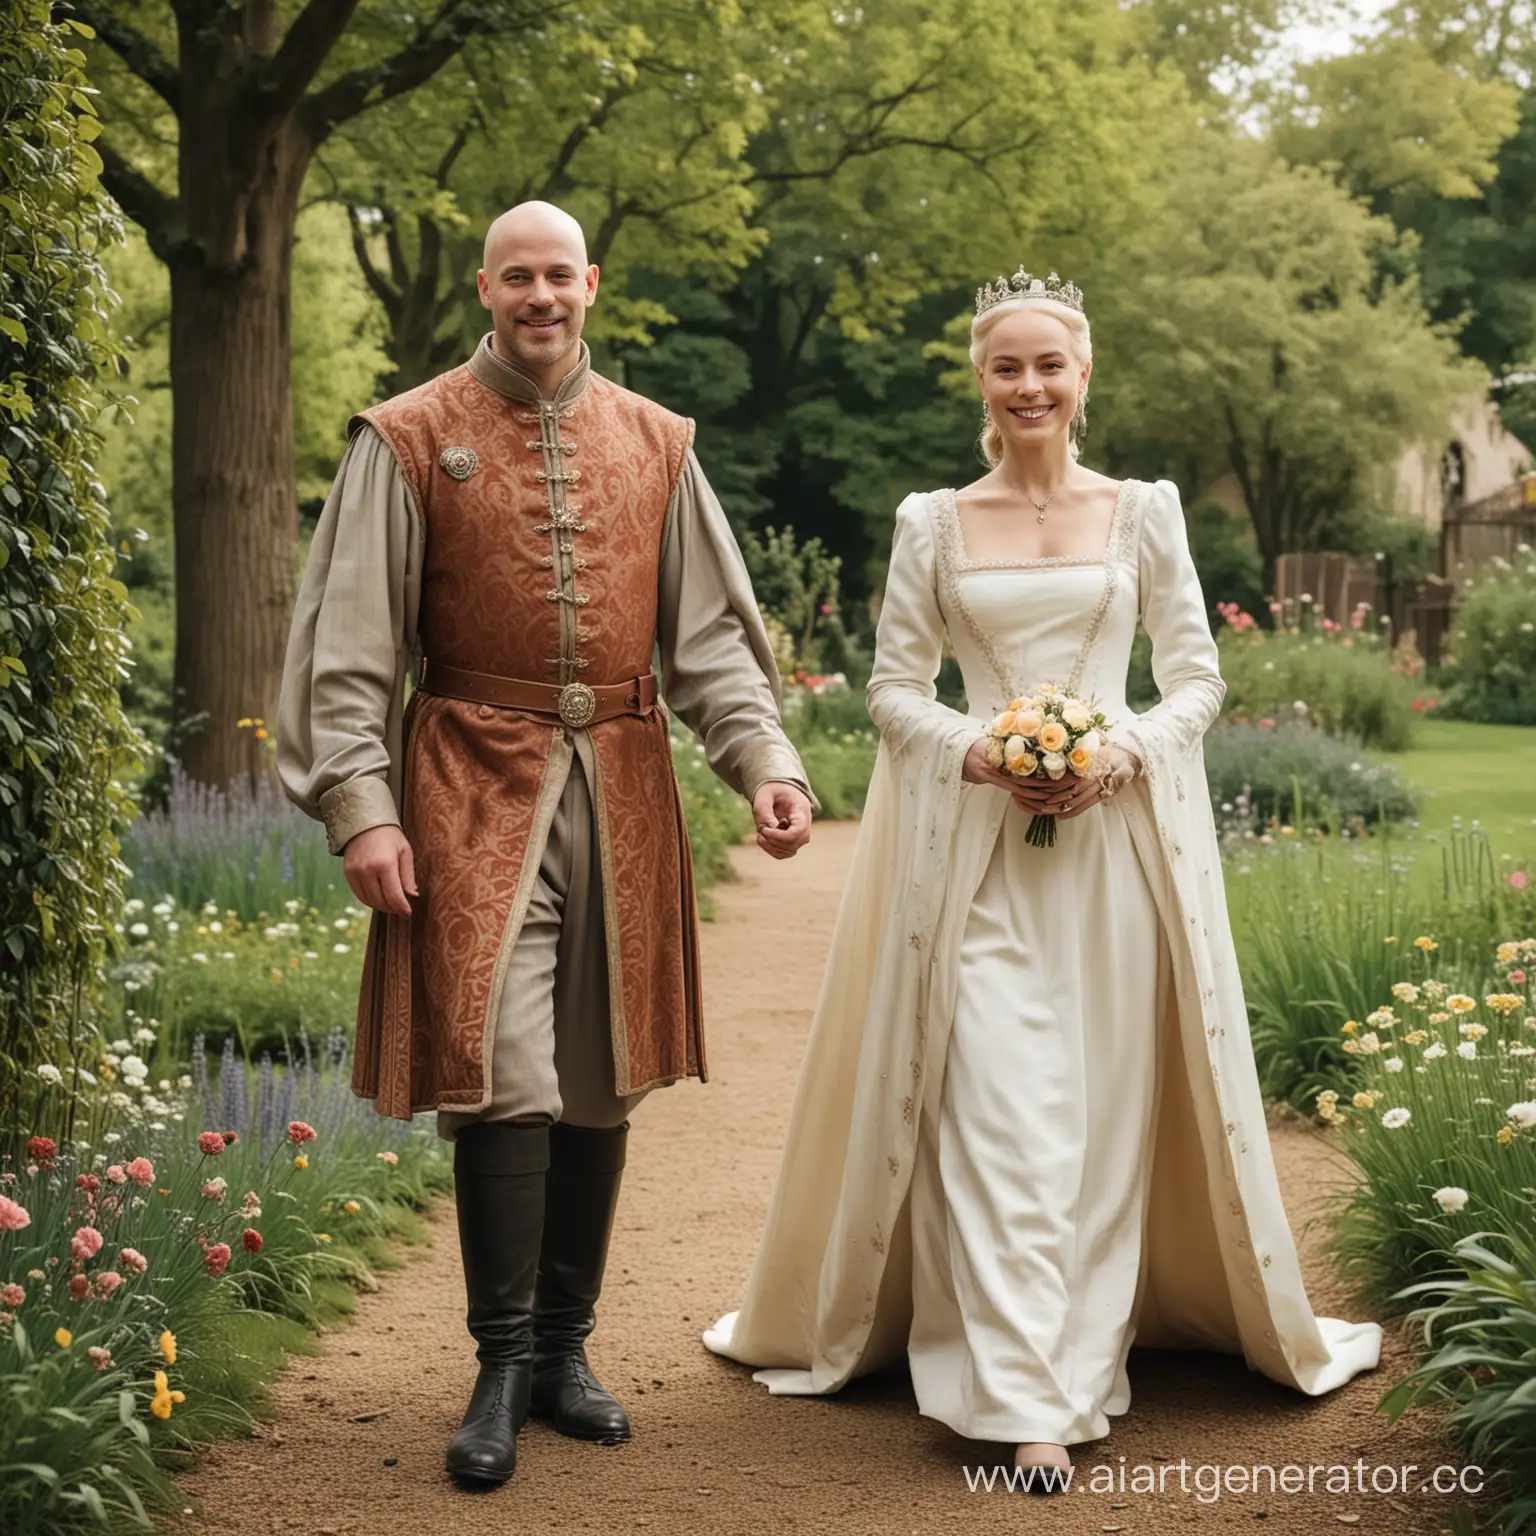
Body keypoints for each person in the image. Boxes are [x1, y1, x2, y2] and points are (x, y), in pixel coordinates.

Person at [701, 267, 1381, 1487]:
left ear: (1083, 377)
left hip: (1117, 867)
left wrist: (1115, 752)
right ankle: (1028, 1403)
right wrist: (978, 749)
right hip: (974, 864)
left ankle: (1079, 1351)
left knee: (1099, 1131)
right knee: (1000, 1115)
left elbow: (1196, 680)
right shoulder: (932, 524)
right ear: (982, 379)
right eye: (1008, 366)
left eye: (1049, 365)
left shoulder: (1144, 514)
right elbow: (895, 687)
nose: (1030, 385)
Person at [277, 201, 814, 1492]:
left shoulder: (656, 441)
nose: (540, 296)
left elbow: (707, 645)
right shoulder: (408, 436)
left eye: (558, 275)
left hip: (620, 787)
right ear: (487, 286)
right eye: (517, 276)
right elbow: (351, 645)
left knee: (599, 1069)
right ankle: (500, 1362)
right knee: (504, 1068)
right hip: (468, 782)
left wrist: (769, 764)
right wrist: (363, 805)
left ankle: (568, 1353)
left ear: (591, 284)